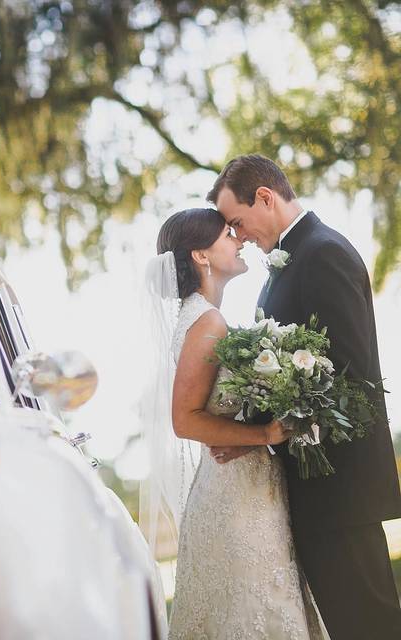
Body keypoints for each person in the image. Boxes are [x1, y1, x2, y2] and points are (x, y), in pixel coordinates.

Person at [209, 154, 401, 639]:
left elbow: (349, 377)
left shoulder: (324, 253)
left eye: (238, 221)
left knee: (369, 624)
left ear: (266, 198)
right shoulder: (293, 259)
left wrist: (261, 437)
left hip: (341, 486)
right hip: (318, 487)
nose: (240, 235)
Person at [140, 207, 327, 638]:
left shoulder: (203, 316)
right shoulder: (206, 321)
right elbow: (184, 420)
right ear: (201, 256)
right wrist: (265, 434)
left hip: (241, 486)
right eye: (228, 233)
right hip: (236, 498)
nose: (238, 238)